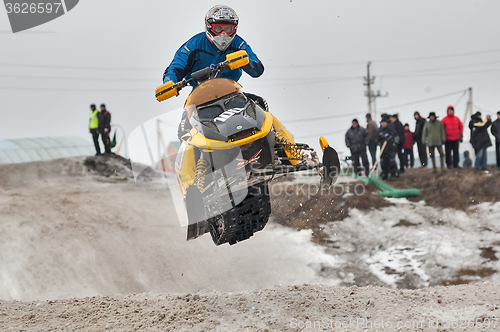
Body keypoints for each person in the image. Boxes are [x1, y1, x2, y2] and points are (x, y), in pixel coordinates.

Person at [162, 5, 265, 139]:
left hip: (231, 92)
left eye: (228, 29)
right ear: (209, 27)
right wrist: (170, 83)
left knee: (260, 105)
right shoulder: (195, 44)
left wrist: (246, 61)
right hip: (199, 95)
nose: (223, 34)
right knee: (185, 130)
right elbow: (177, 66)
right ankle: (192, 157)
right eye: (219, 28)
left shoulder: (239, 44)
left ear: (234, 29)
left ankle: (279, 146)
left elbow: (257, 69)